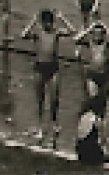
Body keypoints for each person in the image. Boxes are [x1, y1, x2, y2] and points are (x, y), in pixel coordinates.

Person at [20, 8, 76, 145]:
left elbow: (72, 31)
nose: (48, 25)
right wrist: (33, 22)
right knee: (40, 100)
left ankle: (54, 123)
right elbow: (23, 35)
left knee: (54, 99)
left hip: (53, 69)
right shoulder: (37, 33)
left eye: (50, 23)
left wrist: (62, 18)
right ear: (42, 23)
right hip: (40, 68)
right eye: (45, 23)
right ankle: (40, 126)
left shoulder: (56, 32)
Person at [75, 19, 109, 113]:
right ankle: (92, 118)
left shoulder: (106, 43)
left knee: (103, 101)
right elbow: (76, 39)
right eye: (95, 33)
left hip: (104, 76)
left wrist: (104, 27)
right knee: (93, 98)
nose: (97, 36)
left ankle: (100, 119)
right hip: (92, 75)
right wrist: (89, 28)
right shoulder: (89, 42)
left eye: (99, 34)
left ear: (103, 35)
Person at [74, 97, 107, 166]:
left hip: (81, 151)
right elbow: (102, 141)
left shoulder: (83, 117)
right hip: (91, 152)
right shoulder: (97, 119)